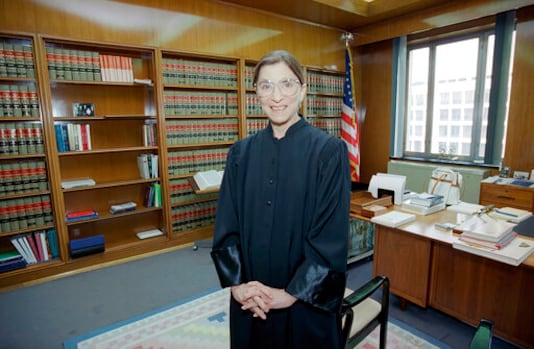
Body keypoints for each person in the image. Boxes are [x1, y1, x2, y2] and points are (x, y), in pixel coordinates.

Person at [210, 49, 351, 349]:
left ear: (302, 90)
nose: (277, 96)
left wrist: (288, 295)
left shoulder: (328, 152)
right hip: (251, 300)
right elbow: (227, 225)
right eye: (266, 85)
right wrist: (239, 288)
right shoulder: (240, 154)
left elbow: (330, 238)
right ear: (256, 94)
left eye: (286, 84)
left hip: (304, 302)